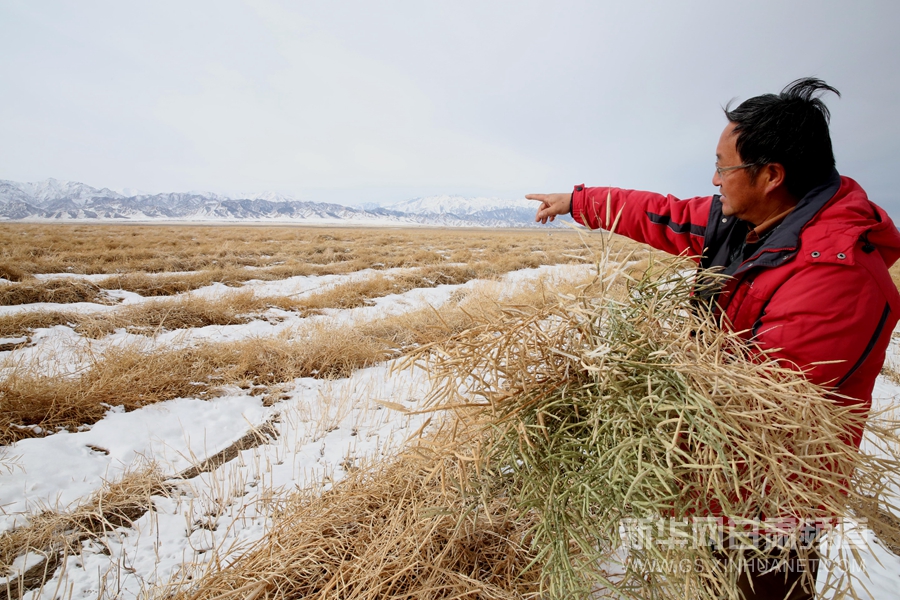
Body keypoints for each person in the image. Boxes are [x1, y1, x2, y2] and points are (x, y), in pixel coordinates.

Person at [527, 78, 900, 599]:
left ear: (771, 175)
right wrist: (578, 200)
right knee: (710, 581)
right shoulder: (753, 216)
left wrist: (626, 398)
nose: (715, 178)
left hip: (771, 508)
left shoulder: (838, 278)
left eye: (724, 166)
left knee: (760, 589)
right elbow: (666, 213)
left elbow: (758, 412)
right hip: (715, 486)